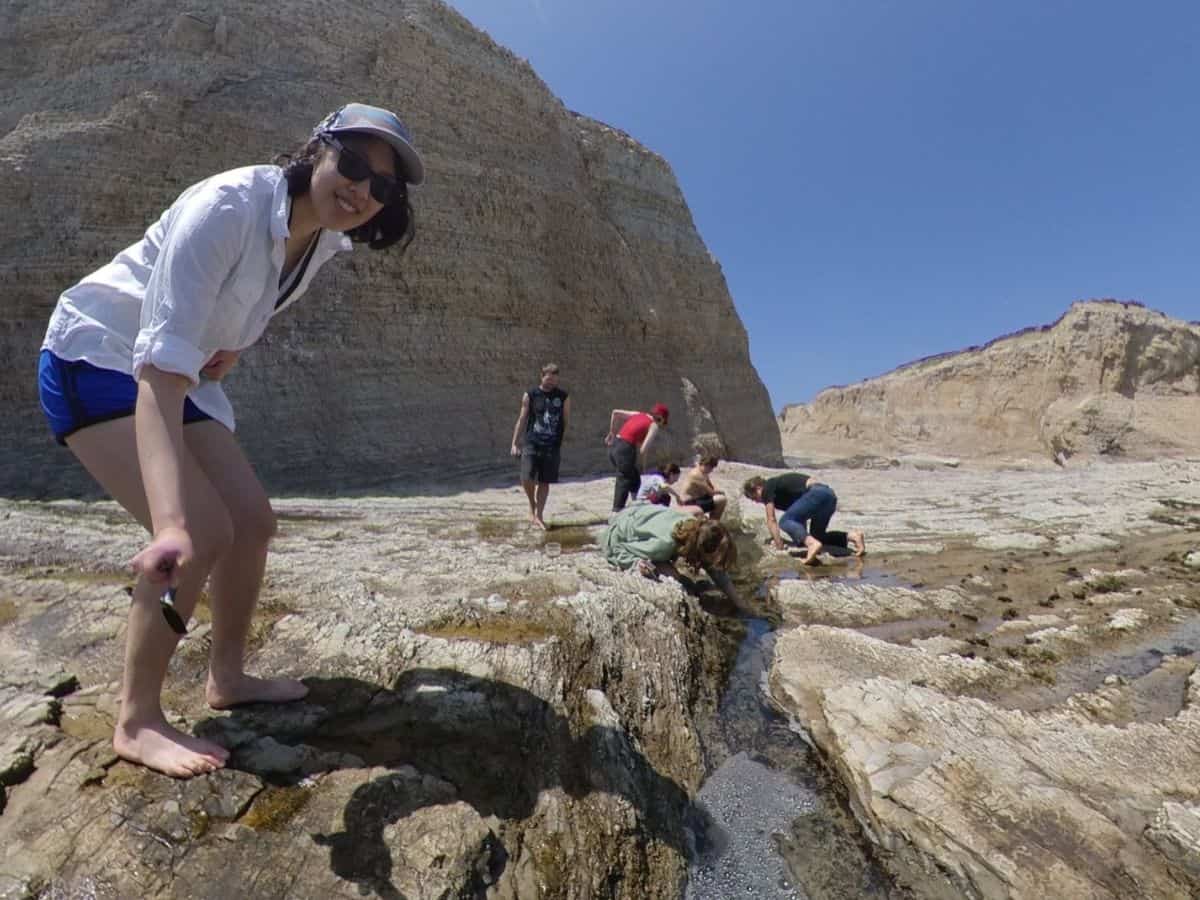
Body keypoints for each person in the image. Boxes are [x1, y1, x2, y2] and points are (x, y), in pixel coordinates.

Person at [36, 103, 424, 778]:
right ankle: (136, 720)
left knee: (252, 521)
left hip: (178, 369)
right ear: (317, 149)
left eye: (383, 187)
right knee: (203, 533)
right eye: (355, 165)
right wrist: (169, 526)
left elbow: (241, 307)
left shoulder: (318, 242)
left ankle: (229, 678)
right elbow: (156, 372)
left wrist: (232, 349)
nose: (363, 190)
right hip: (94, 357)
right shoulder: (227, 206)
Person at [600, 504, 739, 604]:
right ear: (701, 550)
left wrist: (742, 606)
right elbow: (618, 549)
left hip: (635, 511)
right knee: (674, 577)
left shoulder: (694, 525)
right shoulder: (662, 546)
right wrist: (636, 563)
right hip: (617, 532)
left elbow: (716, 571)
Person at [742, 473, 865, 565]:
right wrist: (800, 541)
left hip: (817, 493)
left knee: (784, 521)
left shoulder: (768, 487)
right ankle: (852, 536)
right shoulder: (780, 493)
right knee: (818, 536)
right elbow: (799, 518)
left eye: (754, 498)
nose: (757, 502)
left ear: (758, 488)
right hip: (829, 495)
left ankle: (812, 544)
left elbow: (771, 519)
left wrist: (779, 545)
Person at [510, 363, 570, 529]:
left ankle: (539, 515)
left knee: (545, 480)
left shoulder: (563, 396)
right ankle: (532, 503)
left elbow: (565, 421)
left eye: (554, 379)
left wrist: (560, 441)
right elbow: (522, 419)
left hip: (552, 445)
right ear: (541, 377)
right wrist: (514, 442)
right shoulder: (531, 394)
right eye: (548, 378)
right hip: (531, 442)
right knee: (526, 476)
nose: (551, 382)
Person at [605, 402, 669, 513]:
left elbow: (615, 413)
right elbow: (643, 449)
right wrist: (644, 468)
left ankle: (637, 506)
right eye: (663, 421)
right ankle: (616, 511)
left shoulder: (638, 414)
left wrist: (611, 432)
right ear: (661, 418)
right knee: (624, 479)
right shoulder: (654, 425)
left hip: (614, 447)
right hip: (625, 450)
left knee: (634, 479)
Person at [674, 452, 727, 520]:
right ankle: (713, 521)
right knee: (721, 500)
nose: (711, 470)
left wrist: (718, 491)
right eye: (711, 468)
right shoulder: (696, 474)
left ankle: (713, 522)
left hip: (697, 500)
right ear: (706, 465)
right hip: (688, 503)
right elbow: (711, 492)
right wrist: (722, 492)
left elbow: (711, 487)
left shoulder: (703, 472)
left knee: (720, 497)